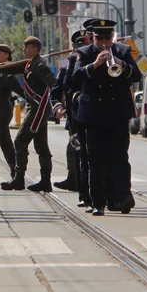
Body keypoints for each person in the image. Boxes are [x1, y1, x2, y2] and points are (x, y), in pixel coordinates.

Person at [69, 19, 142, 215]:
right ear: (93, 38)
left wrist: (121, 64)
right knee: (95, 159)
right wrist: (94, 65)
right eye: (99, 38)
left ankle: (123, 196)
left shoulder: (123, 51)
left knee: (119, 157)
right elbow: (74, 78)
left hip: (117, 114)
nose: (103, 42)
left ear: (112, 37)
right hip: (94, 115)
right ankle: (98, 202)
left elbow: (137, 76)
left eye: (107, 38)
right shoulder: (84, 53)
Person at [0, 36, 57, 192]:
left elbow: (53, 82)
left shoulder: (39, 65)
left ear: (35, 49)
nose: (24, 50)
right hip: (37, 109)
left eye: (27, 47)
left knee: (20, 141)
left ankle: (18, 180)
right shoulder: (29, 64)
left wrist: (58, 102)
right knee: (41, 146)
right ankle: (45, 181)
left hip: (38, 109)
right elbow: (11, 68)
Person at [52, 30, 86, 193]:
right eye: (79, 46)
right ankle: (74, 179)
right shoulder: (68, 65)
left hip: (94, 114)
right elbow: (56, 90)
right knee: (73, 147)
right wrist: (58, 106)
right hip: (75, 115)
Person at [0, 44, 20, 171]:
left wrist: (33, 100)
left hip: (3, 113)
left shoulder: (8, 73)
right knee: (6, 144)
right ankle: (16, 173)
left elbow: (20, 90)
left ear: (7, 55)